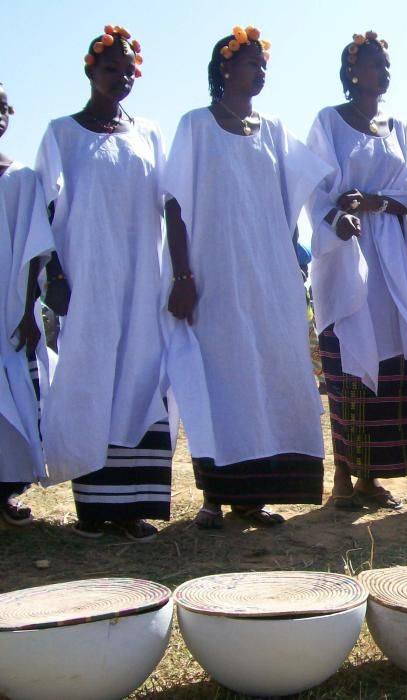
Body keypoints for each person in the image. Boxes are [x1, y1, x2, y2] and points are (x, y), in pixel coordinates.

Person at [163, 26, 332, 528]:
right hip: (214, 276)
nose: (260, 72)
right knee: (223, 379)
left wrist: (291, 259)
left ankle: (253, 498)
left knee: (271, 376)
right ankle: (215, 496)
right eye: (251, 63)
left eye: (264, 65)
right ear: (224, 69)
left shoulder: (274, 129)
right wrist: (182, 274)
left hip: (269, 278)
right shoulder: (195, 125)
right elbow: (174, 203)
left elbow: (292, 199)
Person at [36, 27, 171, 541]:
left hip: (142, 282)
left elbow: (171, 205)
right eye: (110, 69)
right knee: (93, 380)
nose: (121, 79)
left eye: (128, 71)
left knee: (140, 377)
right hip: (89, 281)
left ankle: (134, 507)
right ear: (90, 71)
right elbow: (46, 208)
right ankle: (94, 509)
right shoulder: (62, 133)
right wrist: (54, 274)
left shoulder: (149, 134)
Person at [306, 31, 407, 511]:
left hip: (391, 254)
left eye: (387, 63)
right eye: (374, 63)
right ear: (351, 71)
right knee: (351, 357)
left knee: (391, 360)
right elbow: (315, 187)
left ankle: (371, 477)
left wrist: (378, 202)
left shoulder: (399, 126)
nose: (384, 71)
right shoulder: (329, 121)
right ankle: (344, 478)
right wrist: (340, 215)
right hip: (348, 250)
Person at [0, 82, 53, 527]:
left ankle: (6, 494)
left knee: (18, 402)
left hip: (12, 309)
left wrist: (28, 311)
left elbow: (38, 250)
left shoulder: (21, 179)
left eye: (3, 108)